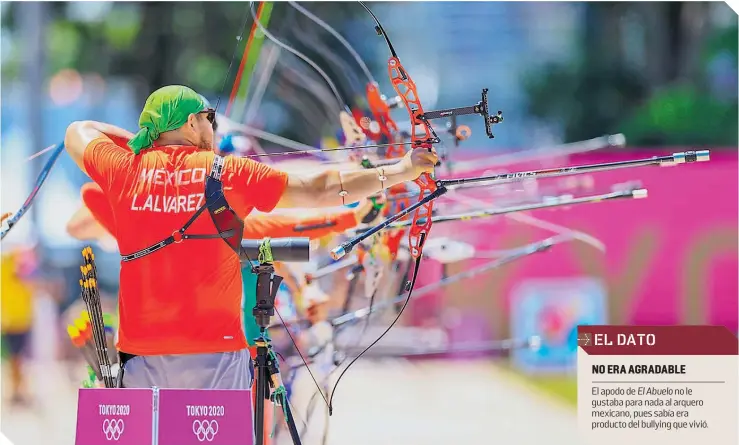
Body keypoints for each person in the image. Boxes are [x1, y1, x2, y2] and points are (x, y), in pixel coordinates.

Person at [62, 84, 437, 390]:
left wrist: (145, 146)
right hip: (214, 354)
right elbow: (320, 187)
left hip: (139, 355)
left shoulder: (124, 170)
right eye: (210, 120)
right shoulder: (227, 171)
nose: (214, 130)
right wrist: (400, 170)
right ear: (192, 122)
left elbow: (78, 131)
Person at [1, 248, 35, 406]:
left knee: (17, 360)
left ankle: (18, 390)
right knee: (15, 360)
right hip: (11, 323)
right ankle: (17, 391)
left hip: (22, 322)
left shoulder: (22, 273)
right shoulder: (7, 270)